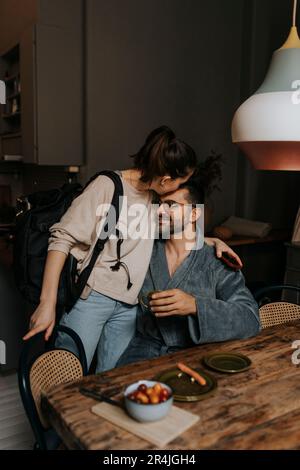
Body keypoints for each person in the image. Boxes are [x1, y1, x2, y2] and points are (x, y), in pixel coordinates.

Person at [23, 125, 242, 372]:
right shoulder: (108, 187)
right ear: (166, 179)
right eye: (183, 180)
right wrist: (47, 303)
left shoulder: (154, 199)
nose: (183, 186)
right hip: (93, 297)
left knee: (113, 380)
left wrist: (210, 240)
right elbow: (61, 238)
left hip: (129, 307)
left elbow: (174, 227)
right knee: (67, 372)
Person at [116, 174, 260, 367]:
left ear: (194, 214)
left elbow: (250, 319)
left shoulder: (216, 260)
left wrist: (195, 306)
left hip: (196, 356)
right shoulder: (142, 248)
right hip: (142, 354)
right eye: (158, 204)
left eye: (171, 205)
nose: (160, 211)